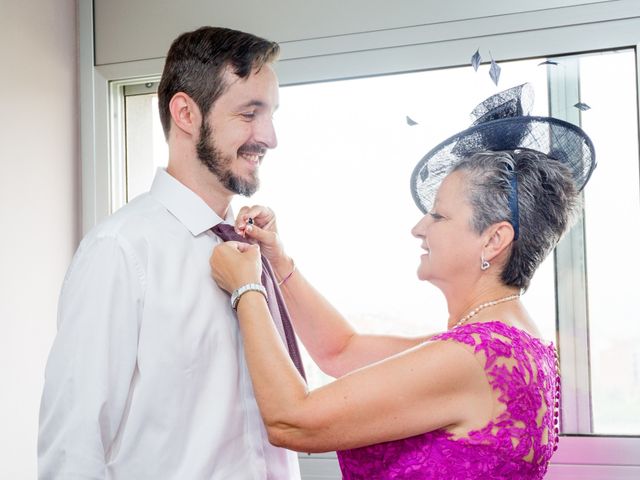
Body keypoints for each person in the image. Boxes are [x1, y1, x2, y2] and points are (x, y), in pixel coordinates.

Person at [209, 83, 596, 479]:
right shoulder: (507, 345)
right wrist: (277, 261)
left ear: (494, 239)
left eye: (439, 216)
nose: (418, 228)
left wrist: (247, 289)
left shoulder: (473, 356)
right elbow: (341, 352)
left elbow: (292, 419)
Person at [38, 26, 303, 479]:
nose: (270, 136)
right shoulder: (119, 252)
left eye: (271, 114)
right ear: (186, 113)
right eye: (249, 113)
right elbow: (72, 449)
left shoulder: (253, 248)